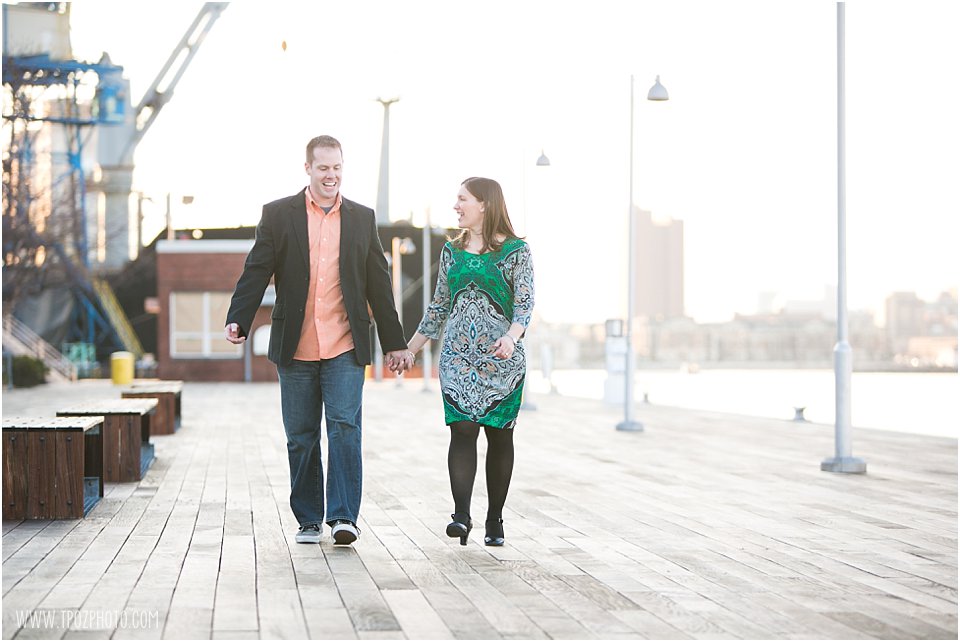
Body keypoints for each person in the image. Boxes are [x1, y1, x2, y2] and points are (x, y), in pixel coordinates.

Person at [225, 135, 411, 546]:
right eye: (324, 167)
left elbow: (379, 284)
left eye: (337, 167)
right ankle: (308, 518)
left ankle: (344, 516)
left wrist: (395, 342)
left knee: (345, 427)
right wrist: (238, 318)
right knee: (302, 435)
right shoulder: (278, 215)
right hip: (296, 345)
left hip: (346, 344)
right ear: (307, 168)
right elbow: (257, 269)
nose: (331, 175)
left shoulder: (361, 218)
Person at [399, 177, 535, 547]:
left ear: (484, 205)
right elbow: (439, 306)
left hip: (502, 362)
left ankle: (495, 519)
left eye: (462, 200)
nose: (456, 206)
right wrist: (411, 349)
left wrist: (511, 336)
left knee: (499, 434)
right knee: (461, 430)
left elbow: (524, 306)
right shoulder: (451, 252)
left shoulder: (517, 251)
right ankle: (461, 515)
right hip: (457, 359)